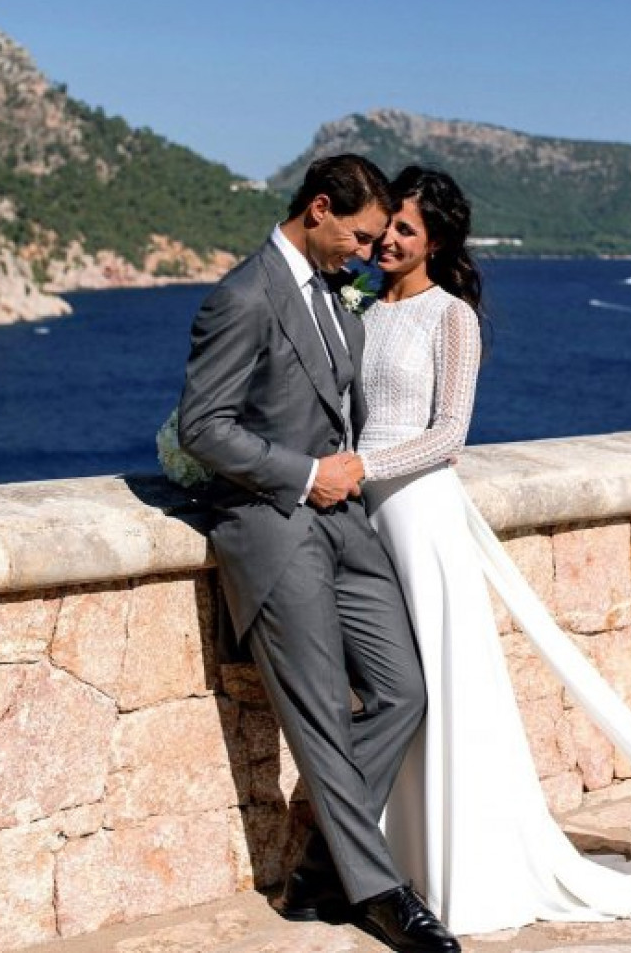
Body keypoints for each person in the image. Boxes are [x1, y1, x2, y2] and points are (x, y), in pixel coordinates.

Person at [345, 165, 631, 935]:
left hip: (420, 516)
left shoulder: (451, 318)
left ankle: (459, 863)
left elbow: (449, 436)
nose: (387, 240)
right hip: (364, 517)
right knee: (392, 684)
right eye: (386, 227)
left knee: (441, 689)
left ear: (435, 242)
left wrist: (363, 467)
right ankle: (393, 855)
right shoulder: (363, 310)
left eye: (405, 230)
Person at [178, 155, 461, 953]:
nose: (370, 253)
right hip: (272, 528)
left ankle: (316, 872)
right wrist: (305, 475)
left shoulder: (339, 300)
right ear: (320, 209)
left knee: (405, 691)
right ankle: (379, 891)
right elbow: (203, 427)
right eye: (362, 236)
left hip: (348, 527)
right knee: (322, 722)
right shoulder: (241, 296)